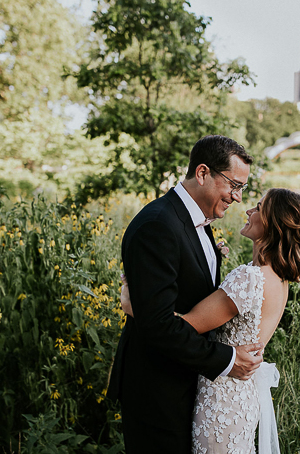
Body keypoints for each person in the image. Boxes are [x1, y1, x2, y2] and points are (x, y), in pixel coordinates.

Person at [121, 188, 300, 453]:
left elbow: (182, 326)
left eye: (259, 208)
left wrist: (132, 303)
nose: (249, 210)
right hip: (242, 397)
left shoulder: (250, 278)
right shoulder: (279, 279)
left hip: (221, 401)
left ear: (273, 224)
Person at [106, 135, 265, 454]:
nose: (236, 197)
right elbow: (159, 326)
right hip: (157, 391)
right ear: (203, 173)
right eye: (233, 185)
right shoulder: (158, 225)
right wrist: (228, 360)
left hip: (187, 385)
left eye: (242, 188)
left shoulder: (199, 222)